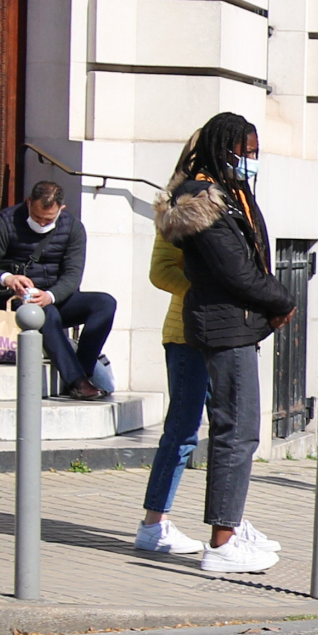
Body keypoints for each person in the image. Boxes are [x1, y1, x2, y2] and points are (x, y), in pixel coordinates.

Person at [155, 113, 293, 574]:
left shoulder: (226, 195)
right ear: (223, 148)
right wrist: (281, 297)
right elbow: (234, 269)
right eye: (245, 152)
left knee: (238, 430)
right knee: (235, 430)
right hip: (223, 324)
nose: (250, 161)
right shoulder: (201, 200)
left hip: (232, 324)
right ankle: (222, 541)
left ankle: (229, 529)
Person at [0, 180, 116, 401]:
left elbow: (72, 275)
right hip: (17, 299)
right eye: (37, 217)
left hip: (54, 296)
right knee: (44, 314)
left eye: (49, 219)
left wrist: (50, 295)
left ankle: (83, 371)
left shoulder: (73, 227)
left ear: (61, 210)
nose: (41, 223)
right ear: (28, 203)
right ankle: (77, 382)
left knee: (105, 303)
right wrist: (8, 278)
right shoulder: (5, 221)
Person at [131, 216, 209, 557]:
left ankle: (228, 526)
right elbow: (161, 271)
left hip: (224, 337)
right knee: (181, 431)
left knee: (231, 432)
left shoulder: (238, 202)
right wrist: (207, 294)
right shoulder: (180, 210)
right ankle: (154, 522)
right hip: (187, 335)